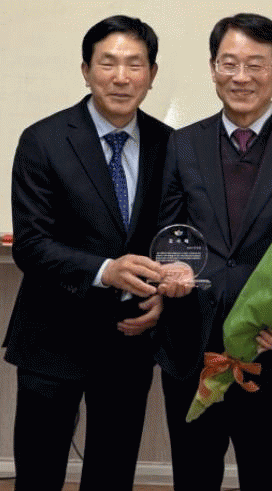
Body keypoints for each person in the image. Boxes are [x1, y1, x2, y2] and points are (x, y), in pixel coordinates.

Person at [154, 13, 272, 491]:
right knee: (193, 476)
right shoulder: (182, 143)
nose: (241, 77)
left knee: (267, 476)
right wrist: (170, 267)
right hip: (193, 346)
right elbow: (169, 230)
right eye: (229, 63)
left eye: (255, 64)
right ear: (213, 68)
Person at [3, 15, 174, 491]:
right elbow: (32, 245)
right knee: (39, 473)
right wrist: (106, 270)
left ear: (152, 74)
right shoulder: (43, 140)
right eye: (108, 63)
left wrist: (162, 294)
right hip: (52, 335)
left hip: (128, 339)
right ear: (85, 70)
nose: (121, 77)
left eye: (134, 65)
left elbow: (173, 237)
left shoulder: (170, 144)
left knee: (113, 472)